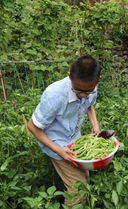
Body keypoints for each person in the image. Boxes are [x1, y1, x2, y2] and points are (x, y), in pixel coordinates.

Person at [27, 56, 101, 207]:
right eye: (79, 90)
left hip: (74, 139)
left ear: (98, 80)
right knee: (78, 189)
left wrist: (95, 125)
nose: (84, 95)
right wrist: (59, 151)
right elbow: (32, 126)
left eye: (89, 91)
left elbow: (89, 105)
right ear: (69, 76)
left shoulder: (89, 85)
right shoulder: (54, 95)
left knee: (84, 177)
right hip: (56, 142)